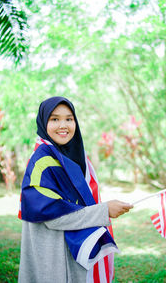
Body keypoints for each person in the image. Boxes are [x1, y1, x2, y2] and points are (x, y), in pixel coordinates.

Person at [18, 96, 133, 283]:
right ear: (43, 122)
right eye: (54, 119)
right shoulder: (42, 162)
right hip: (53, 258)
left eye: (69, 119)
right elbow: (53, 217)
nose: (63, 125)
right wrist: (104, 210)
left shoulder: (74, 157)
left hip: (76, 253)